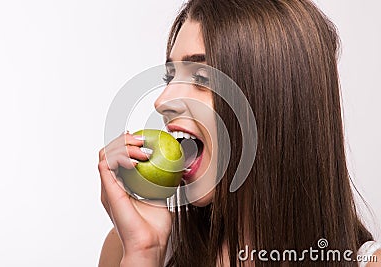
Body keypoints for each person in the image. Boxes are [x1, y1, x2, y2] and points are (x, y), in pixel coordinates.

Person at [98, 0, 381, 266]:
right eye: (171, 77)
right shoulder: (130, 249)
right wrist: (144, 253)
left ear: (274, 101)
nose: (162, 101)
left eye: (201, 78)